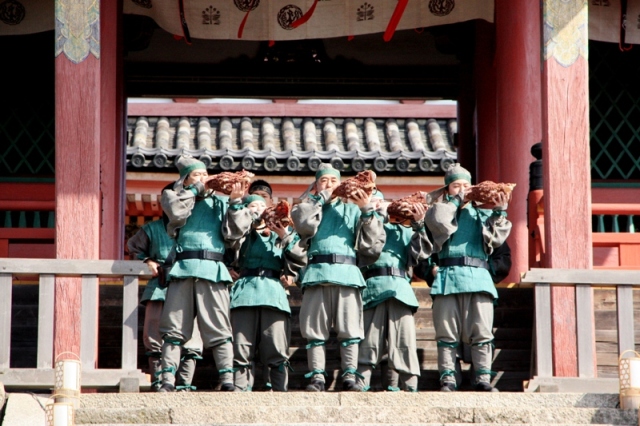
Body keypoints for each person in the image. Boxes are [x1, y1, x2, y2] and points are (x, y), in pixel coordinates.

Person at [290, 163, 385, 392]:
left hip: (347, 274)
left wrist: (366, 210)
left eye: (333, 181)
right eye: (324, 181)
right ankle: (317, 377)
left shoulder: (353, 209)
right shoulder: (307, 207)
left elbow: (372, 247)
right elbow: (302, 225)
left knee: (350, 330)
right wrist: (319, 199)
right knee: (315, 332)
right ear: (316, 185)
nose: (329, 185)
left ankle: (350, 375)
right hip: (316, 273)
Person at [424, 163, 511, 392]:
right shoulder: (437, 209)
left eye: (465, 185)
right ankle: (448, 378)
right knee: (446, 333)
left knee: (482, 332)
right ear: (447, 189)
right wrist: (455, 202)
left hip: (479, 278)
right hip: (448, 277)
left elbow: (498, 239)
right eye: (456, 186)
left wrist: (500, 211)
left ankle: (483, 378)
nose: (461, 189)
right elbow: (440, 223)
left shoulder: (482, 214)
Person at [157, 155, 235, 392]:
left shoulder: (221, 202)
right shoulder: (171, 195)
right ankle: (168, 379)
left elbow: (234, 234)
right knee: (174, 328)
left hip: (213, 269)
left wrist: (237, 201)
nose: (204, 179)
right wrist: (196, 190)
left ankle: (228, 379)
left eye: (205, 174)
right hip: (183, 269)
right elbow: (178, 213)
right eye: (197, 175)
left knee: (220, 327)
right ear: (185, 179)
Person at [223, 187, 302, 391]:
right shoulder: (240, 232)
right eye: (252, 205)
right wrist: (251, 221)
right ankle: (240, 389)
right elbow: (229, 244)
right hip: (244, 292)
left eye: (261, 205)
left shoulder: (283, 233)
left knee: (275, 346)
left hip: (273, 293)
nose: (258, 208)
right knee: (241, 345)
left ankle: (279, 390)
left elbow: (300, 258)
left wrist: (284, 234)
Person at [356, 190, 432, 392]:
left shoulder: (402, 230)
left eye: (381, 201)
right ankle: (361, 383)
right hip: (373, 286)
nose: (378, 205)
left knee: (404, 341)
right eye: (373, 201)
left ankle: (408, 386)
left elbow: (421, 253)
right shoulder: (361, 227)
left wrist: (419, 224)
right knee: (368, 341)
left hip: (400, 287)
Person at [127, 219, 203, 392]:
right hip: (160, 285)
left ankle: (185, 385)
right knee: (154, 334)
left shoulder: (198, 224)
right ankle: (159, 382)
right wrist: (147, 260)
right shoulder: (152, 229)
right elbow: (133, 247)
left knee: (191, 337)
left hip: (190, 283)